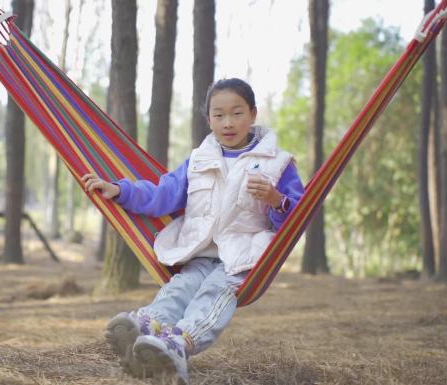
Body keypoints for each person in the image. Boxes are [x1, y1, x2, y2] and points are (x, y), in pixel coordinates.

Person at [82, 78, 304, 384]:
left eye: (237, 113)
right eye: (219, 115)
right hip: (199, 251)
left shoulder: (278, 164)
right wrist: (119, 190)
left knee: (214, 294)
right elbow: (163, 194)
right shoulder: (198, 160)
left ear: (253, 114)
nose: (228, 123)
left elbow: (297, 219)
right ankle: (148, 328)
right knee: (179, 288)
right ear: (208, 119)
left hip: (244, 258)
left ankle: (180, 342)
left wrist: (275, 200)